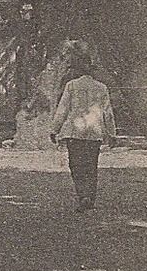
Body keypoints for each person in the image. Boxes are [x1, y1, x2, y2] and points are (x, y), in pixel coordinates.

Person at [49, 49, 116, 212]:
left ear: (77, 70)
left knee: (76, 165)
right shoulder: (101, 87)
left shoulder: (71, 86)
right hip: (94, 133)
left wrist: (54, 129)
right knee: (91, 165)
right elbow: (108, 113)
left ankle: (83, 195)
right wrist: (112, 133)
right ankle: (89, 197)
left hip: (75, 132)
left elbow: (63, 109)